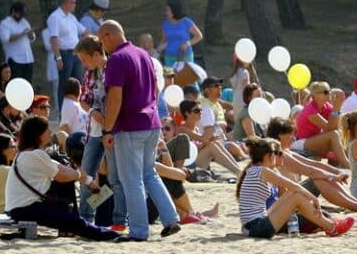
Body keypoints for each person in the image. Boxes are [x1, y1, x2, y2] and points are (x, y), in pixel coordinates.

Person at [98, 20, 181, 241]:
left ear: (108, 36)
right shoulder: (144, 55)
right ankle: (171, 219)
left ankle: (139, 231)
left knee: (131, 179)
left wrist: (108, 129)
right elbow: (155, 89)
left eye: (101, 40)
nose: (101, 45)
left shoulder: (116, 59)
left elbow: (115, 97)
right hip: (151, 122)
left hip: (129, 125)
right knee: (149, 174)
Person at [5, 116, 120, 240]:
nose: (50, 132)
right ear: (37, 134)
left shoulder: (25, 155)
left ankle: (73, 226)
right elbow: (62, 176)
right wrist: (77, 175)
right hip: (25, 210)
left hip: (20, 208)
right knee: (74, 222)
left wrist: (89, 181)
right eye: (46, 130)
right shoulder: (36, 155)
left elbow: (62, 168)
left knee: (71, 214)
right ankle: (109, 235)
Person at [236, 137, 354, 239]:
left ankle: (329, 223)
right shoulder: (262, 171)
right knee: (297, 195)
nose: (280, 157)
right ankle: (332, 228)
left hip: (253, 226)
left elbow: (288, 191)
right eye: (277, 154)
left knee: (295, 194)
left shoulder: (255, 170)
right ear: (269, 156)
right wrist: (314, 199)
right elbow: (294, 185)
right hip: (256, 228)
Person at [267, 117, 357, 212]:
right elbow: (309, 171)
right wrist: (333, 177)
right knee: (319, 179)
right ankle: (356, 205)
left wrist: (336, 172)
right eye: (290, 134)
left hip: (293, 194)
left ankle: (356, 203)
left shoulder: (286, 151)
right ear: (279, 135)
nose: (293, 137)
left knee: (323, 177)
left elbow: (314, 164)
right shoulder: (279, 155)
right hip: (284, 201)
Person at [75, 35, 126, 226]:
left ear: (96, 54)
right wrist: (93, 112)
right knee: (86, 175)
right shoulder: (89, 74)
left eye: (85, 60)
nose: (84, 64)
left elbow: (118, 100)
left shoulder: (113, 68)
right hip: (94, 132)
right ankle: (85, 219)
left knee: (115, 178)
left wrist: (107, 120)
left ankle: (120, 219)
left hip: (112, 131)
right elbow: (83, 99)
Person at [176, 100, 241, 175]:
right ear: (187, 113)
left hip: (196, 161)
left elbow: (204, 142)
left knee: (215, 143)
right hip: (188, 166)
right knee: (211, 146)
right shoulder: (182, 129)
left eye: (201, 110)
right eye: (196, 110)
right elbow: (202, 139)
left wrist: (215, 136)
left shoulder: (196, 128)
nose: (200, 112)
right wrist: (214, 128)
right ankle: (238, 172)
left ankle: (238, 169)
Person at [293, 81, 349, 167]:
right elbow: (329, 128)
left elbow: (336, 126)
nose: (329, 94)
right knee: (333, 135)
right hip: (300, 143)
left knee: (340, 133)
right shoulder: (310, 110)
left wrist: (337, 108)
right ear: (314, 96)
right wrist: (336, 108)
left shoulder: (326, 106)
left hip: (313, 140)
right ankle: (346, 164)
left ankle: (340, 164)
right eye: (325, 92)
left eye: (329, 91)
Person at [47, 0, 89, 110]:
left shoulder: (71, 17)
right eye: (73, 2)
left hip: (76, 54)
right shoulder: (55, 17)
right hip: (64, 54)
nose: (75, 5)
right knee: (65, 84)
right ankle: (63, 111)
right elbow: (53, 38)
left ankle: (79, 109)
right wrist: (58, 57)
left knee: (78, 83)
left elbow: (84, 31)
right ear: (66, 3)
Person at [0, 1, 36, 81]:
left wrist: (31, 34)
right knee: (17, 83)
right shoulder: (5, 23)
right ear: (13, 12)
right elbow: (6, 39)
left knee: (28, 83)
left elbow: (32, 38)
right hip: (15, 59)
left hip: (28, 58)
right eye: (19, 13)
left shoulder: (24, 22)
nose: (21, 16)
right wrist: (22, 34)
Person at [158, 2, 203, 67]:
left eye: (167, 10)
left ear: (174, 11)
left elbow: (199, 36)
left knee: (186, 76)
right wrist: (158, 50)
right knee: (171, 76)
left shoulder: (186, 22)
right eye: (165, 10)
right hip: (169, 57)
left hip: (185, 56)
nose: (165, 12)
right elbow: (164, 39)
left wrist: (187, 44)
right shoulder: (165, 24)